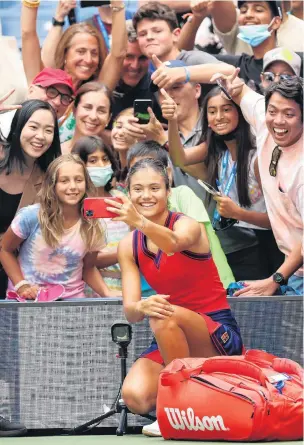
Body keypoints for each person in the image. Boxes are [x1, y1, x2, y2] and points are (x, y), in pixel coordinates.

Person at [108, 158, 243, 431]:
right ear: (128, 193)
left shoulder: (187, 225)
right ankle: (205, 398)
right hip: (169, 333)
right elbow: (131, 312)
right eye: (138, 189)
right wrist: (143, 306)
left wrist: (141, 222)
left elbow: (172, 243)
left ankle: (179, 409)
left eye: (155, 188)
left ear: (168, 191)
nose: (146, 195)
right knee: (134, 396)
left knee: (162, 316)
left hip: (214, 331)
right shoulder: (128, 246)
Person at [163, 85, 284, 280]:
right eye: (212, 111)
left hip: (266, 246)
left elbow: (278, 221)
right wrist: (172, 122)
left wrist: (238, 213)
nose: (219, 116)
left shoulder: (256, 159)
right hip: (236, 243)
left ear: (241, 112)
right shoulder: (218, 150)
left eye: (226, 109)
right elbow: (179, 158)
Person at [211, 69, 303, 296]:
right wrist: (179, 72)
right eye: (273, 111)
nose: (278, 121)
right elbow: (237, 86)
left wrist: (275, 280)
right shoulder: (266, 122)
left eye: (289, 114)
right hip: (294, 267)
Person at [0, 154, 113, 300]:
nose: (73, 187)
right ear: (52, 185)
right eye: (64, 181)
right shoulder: (31, 216)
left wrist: (108, 294)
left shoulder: (93, 224)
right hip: (28, 301)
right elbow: (4, 249)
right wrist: (22, 285)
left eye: (78, 180)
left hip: (72, 302)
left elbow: (89, 268)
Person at [126, 140, 234, 289]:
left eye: (153, 167)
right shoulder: (132, 206)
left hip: (215, 285)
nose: (145, 173)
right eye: (137, 169)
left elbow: (189, 241)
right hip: (171, 292)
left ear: (168, 173)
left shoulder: (183, 194)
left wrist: (140, 222)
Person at [0, 99, 61, 298]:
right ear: (18, 127)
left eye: (48, 130)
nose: (40, 136)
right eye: (33, 127)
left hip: (17, 278)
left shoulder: (49, 181)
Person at [22, 0, 127, 92]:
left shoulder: (97, 90)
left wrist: (118, 5)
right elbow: (28, 34)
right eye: (81, 51)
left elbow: (118, 55)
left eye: (94, 53)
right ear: (65, 54)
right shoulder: (44, 84)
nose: (88, 59)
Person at [72, 136, 128, 296]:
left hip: (125, 287)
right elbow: (83, 260)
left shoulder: (120, 198)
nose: (101, 165)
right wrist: (126, 252)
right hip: (89, 290)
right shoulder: (75, 205)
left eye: (105, 159)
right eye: (93, 160)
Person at [0, 68, 75, 138]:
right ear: (31, 91)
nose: (57, 102)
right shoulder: (3, 124)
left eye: (65, 98)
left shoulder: (57, 137)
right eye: (52, 92)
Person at [210, 0, 304, 54]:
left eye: (258, 10)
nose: (249, 15)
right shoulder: (239, 64)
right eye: (243, 10)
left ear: (276, 22)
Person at [60, 82, 112, 154]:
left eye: (101, 111)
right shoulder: (56, 153)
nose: (93, 116)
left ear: (109, 118)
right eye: (87, 107)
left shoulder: (113, 158)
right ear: (75, 111)